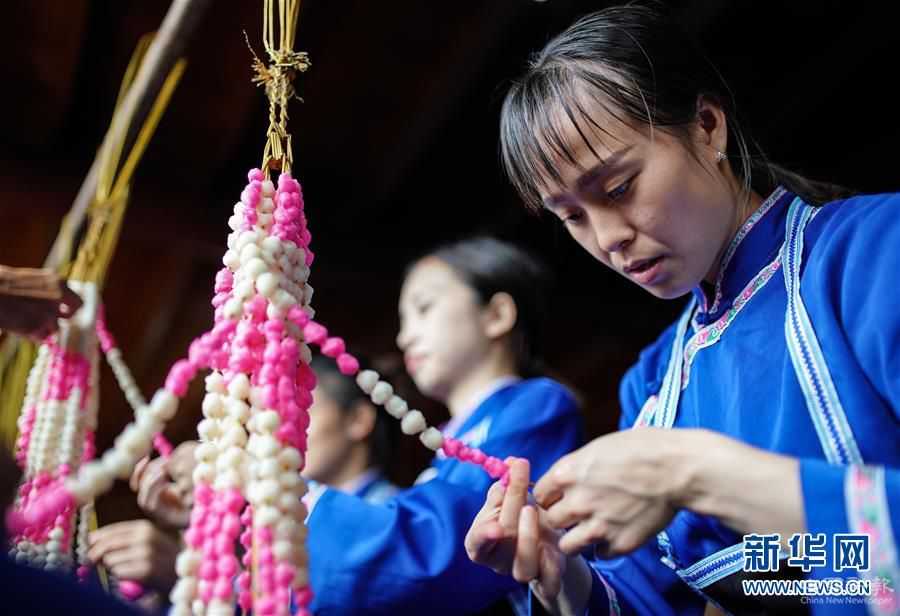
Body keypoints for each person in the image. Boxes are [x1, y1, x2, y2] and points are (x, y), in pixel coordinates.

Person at [464, 5, 900, 616]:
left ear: (707, 125)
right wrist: (562, 574)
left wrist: (692, 473)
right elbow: (822, 585)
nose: (607, 236)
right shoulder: (653, 384)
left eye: (617, 188)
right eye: (571, 217)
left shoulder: (876, 251)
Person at [135, 236, 584, 615]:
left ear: (496, 315)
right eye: (403, 321)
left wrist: (263, 480)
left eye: (424, 309)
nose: (405, 336)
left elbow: (442, 553)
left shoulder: (537, 406)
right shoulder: (453, 442)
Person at [302, 354, 401, 504]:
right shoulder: (295, 514)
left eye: (305, 414)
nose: (289, 432)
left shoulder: (395, 518)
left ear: (358, 420)